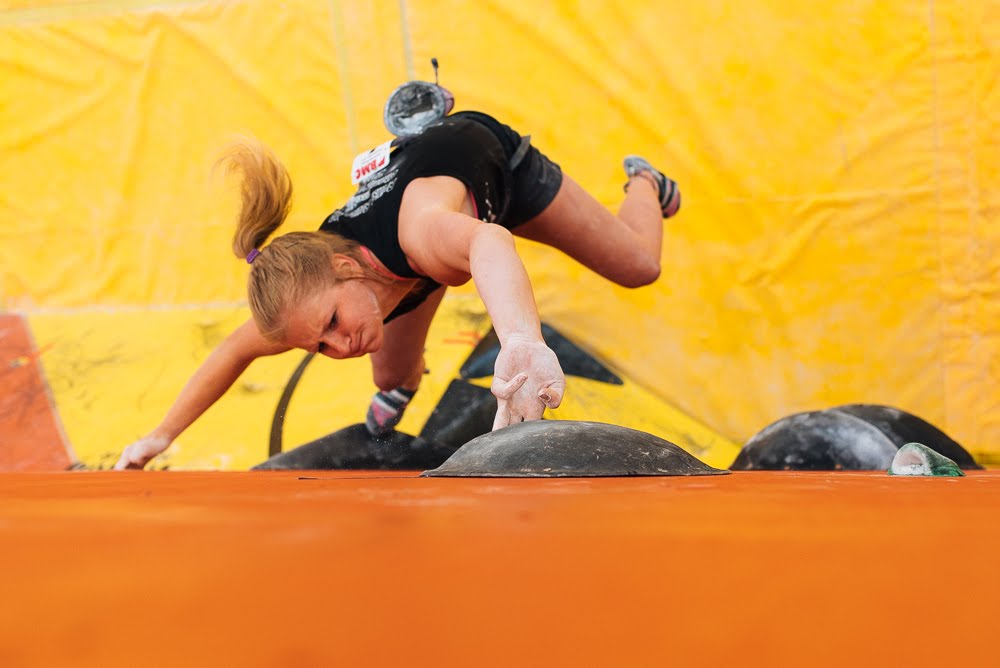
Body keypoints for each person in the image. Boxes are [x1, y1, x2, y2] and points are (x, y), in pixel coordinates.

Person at [113, 109, 681, 470]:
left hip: (492, 169)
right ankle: (399, 385)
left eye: (333, 326)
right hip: (406, 250)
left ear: (348, 266)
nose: (338, 348)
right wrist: (159, 436)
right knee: (388, 374)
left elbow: (490, 244)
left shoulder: (420, 234)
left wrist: (520, 341)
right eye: (320, 347)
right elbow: (231, 351)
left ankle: (646, 180)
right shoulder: (309, 296)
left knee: (637, 264)